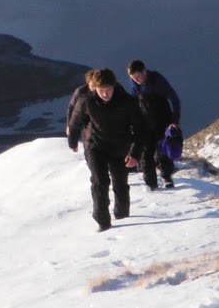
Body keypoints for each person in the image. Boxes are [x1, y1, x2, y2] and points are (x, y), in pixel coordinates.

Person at [65, 67, 150, 232]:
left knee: (120, 181)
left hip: (120, 146)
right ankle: (102, 221)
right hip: (95, 146)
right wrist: (72, 141)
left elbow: (141, 129)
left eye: (108, 89)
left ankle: (122, 213)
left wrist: (135, 154)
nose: (105, 94)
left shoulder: (127, 101)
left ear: (114, 86)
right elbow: (75, 122)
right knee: (99, 181)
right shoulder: (86, 101)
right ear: (94, 88)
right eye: (101, 90)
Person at [127, 59, 182, 191]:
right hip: (144, 122)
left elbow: (174, 99)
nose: (136, 80)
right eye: (133, 78)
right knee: (146, 153)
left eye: (138, 77)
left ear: (144, 71)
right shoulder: (134, 84)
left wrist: (174, 121)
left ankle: (166, 177)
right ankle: (151, 184)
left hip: (162, 120)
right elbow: (133, 102)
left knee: (163, 151)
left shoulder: (157, 80)